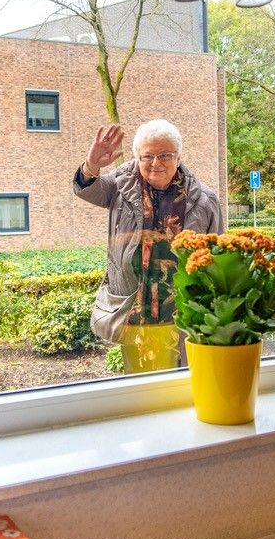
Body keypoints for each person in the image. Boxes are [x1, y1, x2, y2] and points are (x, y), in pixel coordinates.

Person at [72, 120, 223, 370]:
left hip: (182, 307)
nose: (156, 163)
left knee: (182, 377)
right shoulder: (119, 186)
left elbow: (216, 256)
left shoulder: (204, 200)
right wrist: (92, 166)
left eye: (165, 155)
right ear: (137, 157)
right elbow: (87, 189)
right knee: (139, 383)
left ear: (178, 156)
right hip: (134, 306)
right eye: (148, 156)